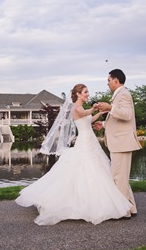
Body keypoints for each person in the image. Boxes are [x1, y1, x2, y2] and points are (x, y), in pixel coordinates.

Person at [15, 84, 132, 225]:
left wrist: (99, 115)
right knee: (85, 168)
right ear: (78, 94)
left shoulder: (82, 108)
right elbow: (84, 114)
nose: (88, 94)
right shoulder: (76, 108)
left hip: (90, 141)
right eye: (85, 92)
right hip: (84, 142)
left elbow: (88, 120)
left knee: (96, 169)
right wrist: (95, 108)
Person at [93, 69, 142, 218]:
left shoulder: (124, 94)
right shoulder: (119, 95)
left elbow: (127, 115)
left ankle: (122, 212)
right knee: (121, 177)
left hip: (122, 143)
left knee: (119, 178)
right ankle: (130, 208)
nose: (107, 83)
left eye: (108, 80)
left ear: (116, 80)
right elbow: (118, 120)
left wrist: (110, 107)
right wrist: (104, 123)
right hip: (119, 142)